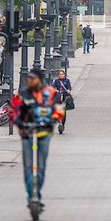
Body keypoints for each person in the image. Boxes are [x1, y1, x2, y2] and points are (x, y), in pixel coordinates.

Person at [11, 72, 65, 207]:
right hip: (27, 133)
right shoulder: (23, 93)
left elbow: (59, 109)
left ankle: (37, 193)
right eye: (28, 79)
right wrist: (18, 122)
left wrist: (54, 119)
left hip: (44, 133)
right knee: (28, 167)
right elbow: (14, 110)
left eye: (32, 79)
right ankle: (31, 196)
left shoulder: (50, 93)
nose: (29, 81)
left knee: (40, 167)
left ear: (39, 79)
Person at [52, 70, 72, 134]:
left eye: (62, 74)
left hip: (64, 98)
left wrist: (68, 90)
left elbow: (69, 88)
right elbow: (54, 87)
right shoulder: (56, 81)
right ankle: (59, 123)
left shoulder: (67, 81)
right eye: (60, 74)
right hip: (58, 98)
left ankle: (62, 124)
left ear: (64, 75)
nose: (61, 75)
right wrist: (55, 90)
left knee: (63, 112)